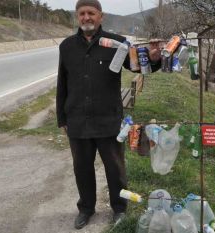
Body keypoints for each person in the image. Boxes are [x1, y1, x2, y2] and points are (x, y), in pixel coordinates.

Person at [56, 0, 161, 229]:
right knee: (81, 168)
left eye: (91, 13)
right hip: (77, 120)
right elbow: (61, 84)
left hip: (108, 119)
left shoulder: (117, 43)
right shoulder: (66, 46)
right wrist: (61, 118)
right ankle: (86, 208)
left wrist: (153, 59)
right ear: (77, 17)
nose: (86, 18)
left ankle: (120, 209)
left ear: (100, 16)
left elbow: (137, 66)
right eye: (82, 13)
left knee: (115, 168)